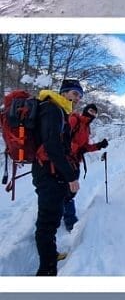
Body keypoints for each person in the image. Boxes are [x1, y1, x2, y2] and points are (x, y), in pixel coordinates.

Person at [32, 80, 83, 276]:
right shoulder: (52, 109)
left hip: (51, 172)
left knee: (51, 218)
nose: (77, 98)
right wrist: (70, 176)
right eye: (74, 93)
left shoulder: (59, 110)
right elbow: (52, 146)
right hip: (48, 173)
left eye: (80, 95)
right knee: (47, 222)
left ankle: (50, 256)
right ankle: (46, 271)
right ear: (64, 92)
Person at [62, 103, 108, 232]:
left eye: (94, 112)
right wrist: (76, 149)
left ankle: (62, 213)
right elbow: (62, 138)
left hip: (75, 161)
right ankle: (70, 221)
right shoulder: (74, 120)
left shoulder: (87, 128)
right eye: (90, 110)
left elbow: (85, 147)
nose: (92, 114)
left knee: (68, 189)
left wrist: (98, 145)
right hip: (66, 161)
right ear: (85, 110)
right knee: (70, 190)